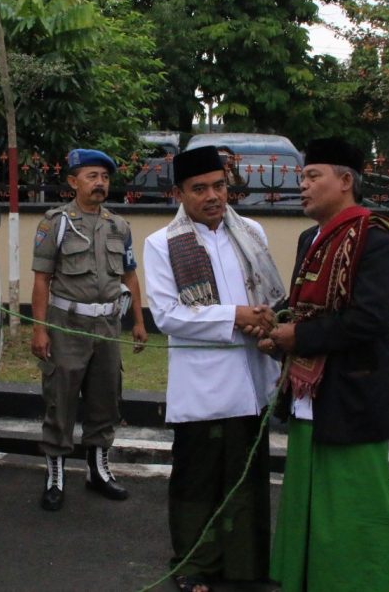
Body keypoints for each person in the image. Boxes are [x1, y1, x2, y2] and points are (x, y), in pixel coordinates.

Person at [260, 137, 389, 592]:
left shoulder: (376, 238)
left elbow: (371, 318)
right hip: (307, 392)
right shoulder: (308, 237)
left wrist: (301, 336)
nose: (304, 185)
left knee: (354, 508)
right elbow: (300, 305)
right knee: (306, 500)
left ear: (346, 181)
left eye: (314, 176)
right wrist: (273, 322)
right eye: (302, 176)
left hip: (351, 394)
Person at [142, 145, 285, 592]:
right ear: (178, 194)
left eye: (219, 185)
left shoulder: (252, 231)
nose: (212, 196)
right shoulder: (163, 243)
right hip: (202, 383)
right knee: (198, 479)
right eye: (199, 188)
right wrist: (235, 317)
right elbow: (166, 316)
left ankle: (245, 565)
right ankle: (192, 566)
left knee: (247, 476)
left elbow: (270, 294)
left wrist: (266, 319)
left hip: (251, 375)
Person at [30, 148, 148, 512]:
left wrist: (140, 322)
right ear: (72, 182)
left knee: (105, 398)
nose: (100, 184)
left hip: (107, 327)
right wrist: (39, 330)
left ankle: (98, 471)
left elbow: (129, 276)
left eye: (105, 178)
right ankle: (55, 475)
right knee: (61, 399)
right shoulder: (55, 223)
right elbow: (41, 280)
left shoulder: (119, 226)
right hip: (66, 325)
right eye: (92, 176)